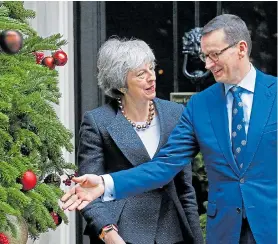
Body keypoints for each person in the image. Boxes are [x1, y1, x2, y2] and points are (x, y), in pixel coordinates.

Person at [62, 14, 277, 244]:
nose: (207, 64)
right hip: (224, 233)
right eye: (205, 56)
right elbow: (164, 166)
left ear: (241, 48)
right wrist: (105, 184)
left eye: (214, 55)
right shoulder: (199, 105)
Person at [70, 38, 203, 244]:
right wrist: (110, 235)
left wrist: (196, 239)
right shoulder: (97, 121)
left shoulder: (175, 113)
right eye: (141, 74)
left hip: (171, 232)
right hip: (123, 233)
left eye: (151, 69)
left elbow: (185, 188)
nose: (152, 78)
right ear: (121, 85)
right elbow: (89, 190)